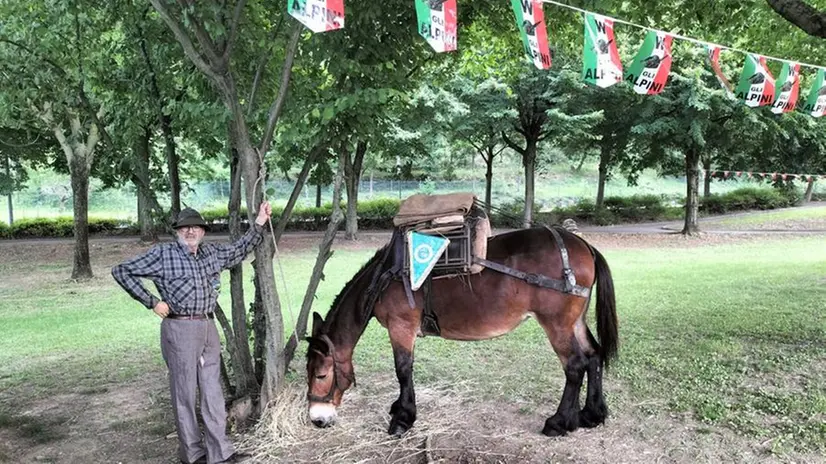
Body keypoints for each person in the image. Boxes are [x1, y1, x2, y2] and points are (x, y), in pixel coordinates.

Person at [112, 202, 272, 464]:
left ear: (203, 231)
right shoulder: (163, 254)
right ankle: (193, 455)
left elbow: (240, 249)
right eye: (185, 227)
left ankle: (219, 453)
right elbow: (121, 271)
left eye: (195, 227)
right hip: (179, 328)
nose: (190, 231)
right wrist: (152, 301)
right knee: (184, 393)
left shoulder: (211, 254)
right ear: (177, 230)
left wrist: (260, 222)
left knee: (212, 392)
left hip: (207, 327)